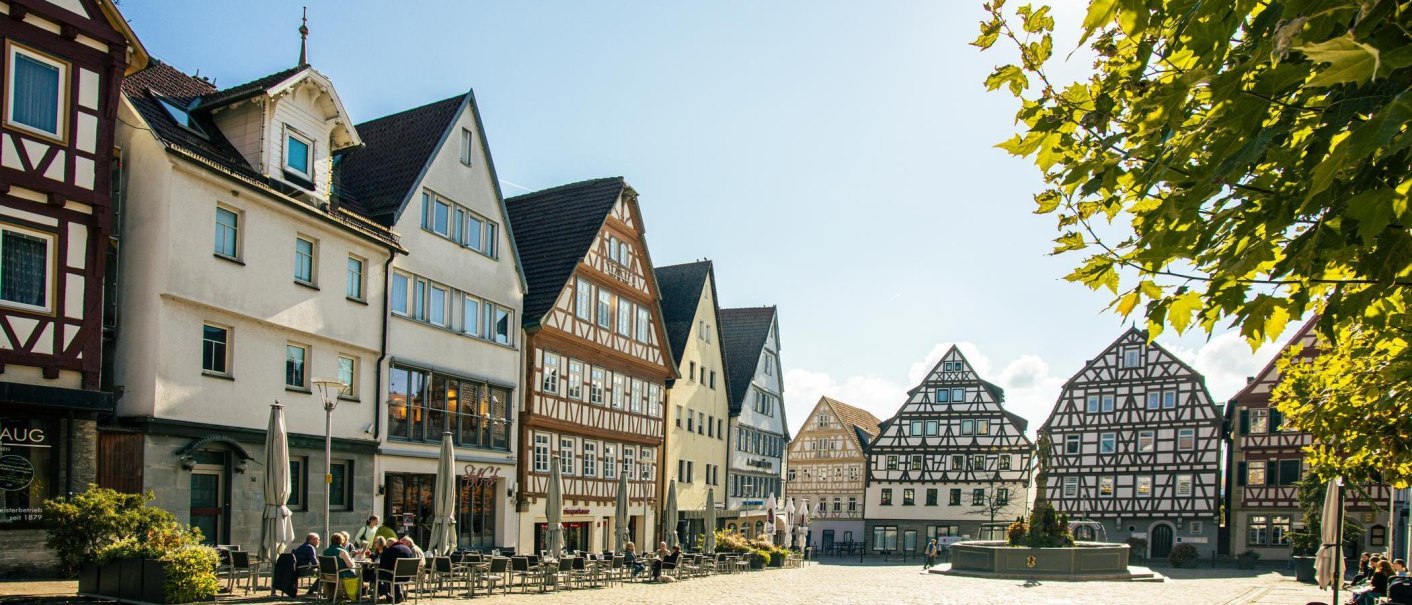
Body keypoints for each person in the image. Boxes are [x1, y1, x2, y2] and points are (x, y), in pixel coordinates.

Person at [321, 534, 359, 600]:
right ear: (342, 541)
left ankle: (335, 595)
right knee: (359, 573)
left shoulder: (325, 551)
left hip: (327, 575)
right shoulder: (342, 551)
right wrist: (352, 560)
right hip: (340, 574)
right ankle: (355, 596)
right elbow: (351, 566)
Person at [378, 537, 416, 603]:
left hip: (396, 577)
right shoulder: (408, 549)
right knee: (394, 573)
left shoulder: (391, 549)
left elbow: (383, 565)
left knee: (377, 574)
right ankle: (399, 594)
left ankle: (386, 594)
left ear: (389, 545)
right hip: (408, 577)